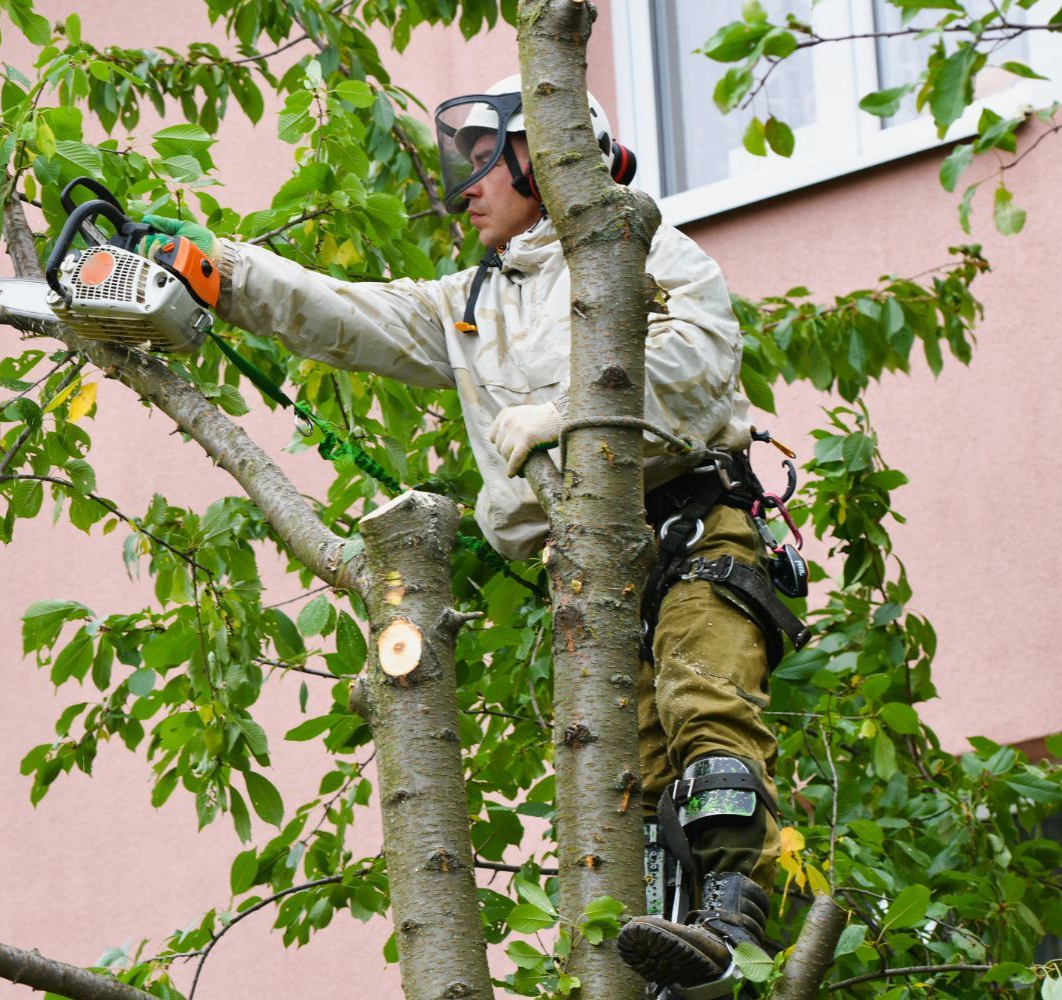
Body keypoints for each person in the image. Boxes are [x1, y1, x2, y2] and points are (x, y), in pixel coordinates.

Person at [146, 74, 807, 997]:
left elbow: (695, 366)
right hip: (590, 580)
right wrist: (217, 268)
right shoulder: (475, 302)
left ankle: (734, 917)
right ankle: (677, 960)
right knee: (642, 782)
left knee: (707, 709)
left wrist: (569, 414)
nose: (466, 187)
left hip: (690, 530)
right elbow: (344, 315)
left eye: (486, 161)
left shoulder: (638, 252)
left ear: (542, 156)